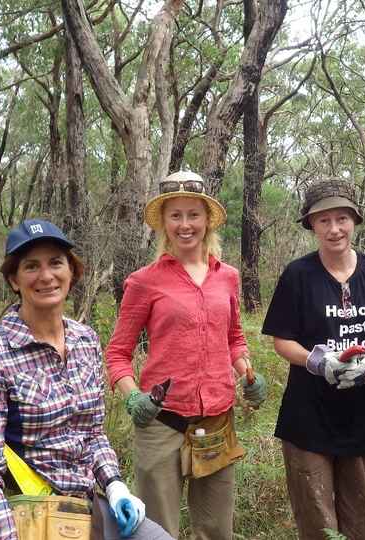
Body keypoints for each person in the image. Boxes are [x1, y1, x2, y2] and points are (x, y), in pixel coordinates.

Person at [0, 219, 172, 540]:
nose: (46, 276)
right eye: (31, 266)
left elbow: (92, 433)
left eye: (56, 262)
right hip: (13, 509)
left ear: (71, 271)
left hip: (76, 506)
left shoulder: (85, 341)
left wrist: (114, 485)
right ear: (14, 279)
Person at [104, 170, 267, 540]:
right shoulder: (144, 281)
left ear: (207, 219)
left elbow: (234, 338)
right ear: (163, 222)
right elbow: (117, 354)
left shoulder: (227, 277)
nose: (185, 224)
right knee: (156, 531)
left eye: (193, 214)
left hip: (217, 423)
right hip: (162, 423)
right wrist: (133, 397)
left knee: (215, 531)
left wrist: (247, 372)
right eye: (175, 215)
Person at [261, 178, 365, 540]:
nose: (334, 229)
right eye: (323, 220)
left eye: (342, 218)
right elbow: (281, 340)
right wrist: (319, 362)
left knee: (360, 520)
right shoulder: (298, 274)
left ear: (355, 220)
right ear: (311, 224)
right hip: (307, 419)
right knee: (317, 523)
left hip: (363, 415)